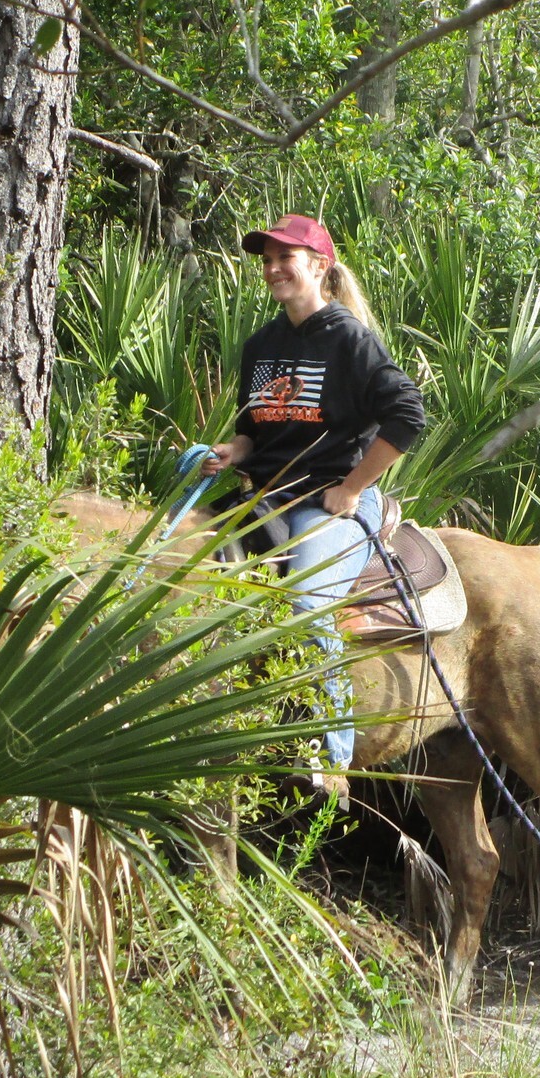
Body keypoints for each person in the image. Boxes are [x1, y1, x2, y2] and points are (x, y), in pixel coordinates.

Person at [202, 213, 428, 779]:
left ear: (320, 266)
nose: (275, 269)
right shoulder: (262, 344)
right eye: (268, 260)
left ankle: (330, 759)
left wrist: (353, 489)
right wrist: (235, 449)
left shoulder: (349, 339)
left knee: (306, 604)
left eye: (287, 258)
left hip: (329, 501)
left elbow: (407, 415)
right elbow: (259, 427)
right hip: (262, 499)